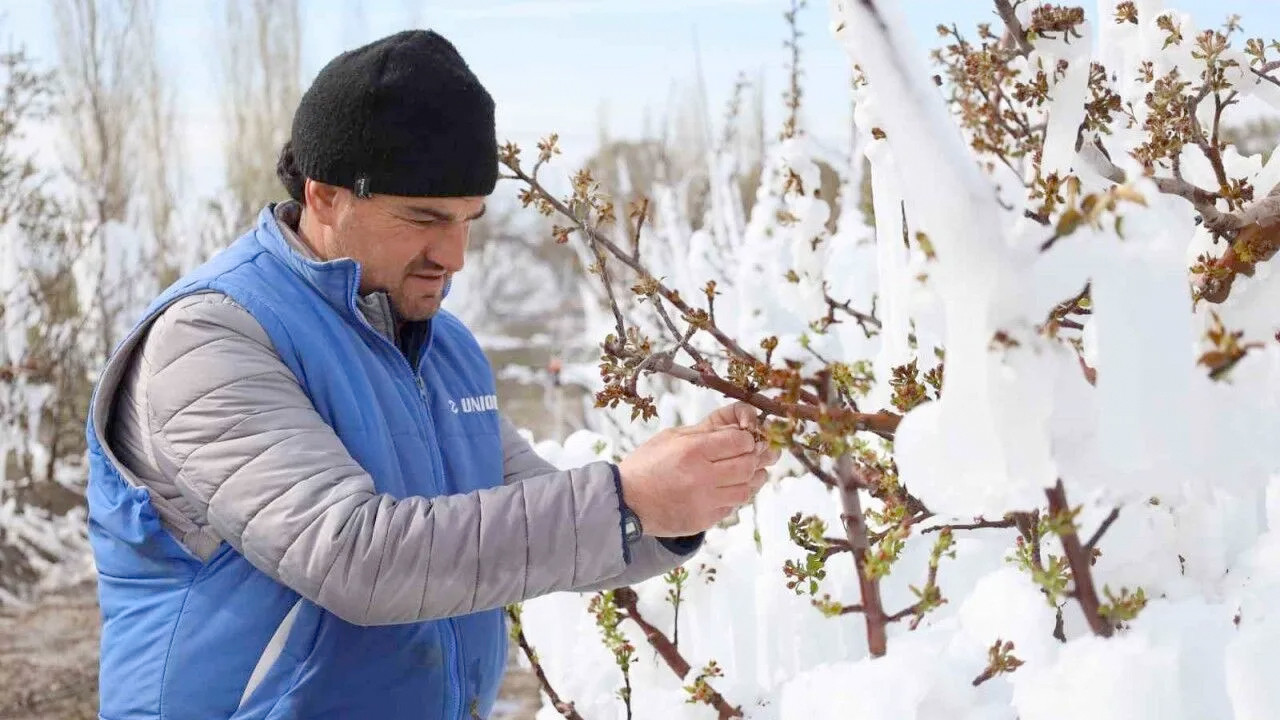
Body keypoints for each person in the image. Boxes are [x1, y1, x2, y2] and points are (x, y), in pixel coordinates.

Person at [84, 29, 777, 720]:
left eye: (469, 219)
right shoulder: (211, 339)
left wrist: (683, 498)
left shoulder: (444, 347)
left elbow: (555, 523)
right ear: (325, 197)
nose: (454, 255)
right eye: (424, 218)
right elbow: (352, 557)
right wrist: (625, 499)